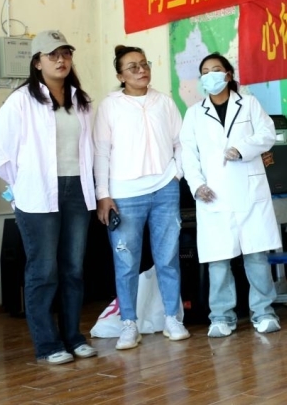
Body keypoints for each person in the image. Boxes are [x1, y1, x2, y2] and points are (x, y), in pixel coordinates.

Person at [0, 30, 98, 364]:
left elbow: (91, 149)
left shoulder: (81, 100)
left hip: (77, 190)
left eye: (65, 53)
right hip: (37, 195)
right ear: (37, 62)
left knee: (73, 269)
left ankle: (74, 337)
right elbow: (2, 154)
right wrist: (22, 188)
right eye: (52, 55)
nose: (61, 60)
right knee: (43, 271)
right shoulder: (20, 101)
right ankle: (48, 345)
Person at [179, 53, 282, 338]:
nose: (210, 75)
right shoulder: (194, 113)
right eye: (205, 71)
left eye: (216, 69)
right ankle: (221, 317)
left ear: (228, 74)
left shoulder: (248, 104)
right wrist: (197, 185)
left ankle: (264, 312)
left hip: (248, 189)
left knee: (256, 256)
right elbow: (188, 154)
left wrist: (242, 148)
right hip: (213, 195)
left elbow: (267, 134)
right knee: (219, 261)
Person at [93, 45, 189, 350]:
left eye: (144, 64)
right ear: (120, 75)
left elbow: (181, 142)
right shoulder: (110, 106)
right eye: (132, 67)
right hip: (124, 194)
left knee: (168, 258)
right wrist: (103, 194)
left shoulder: (164, 102)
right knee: (126, 262)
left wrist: (176, 174)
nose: (141, 70)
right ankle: (129, 324)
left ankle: (172, 318)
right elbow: (101, 152)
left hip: (165, 189)